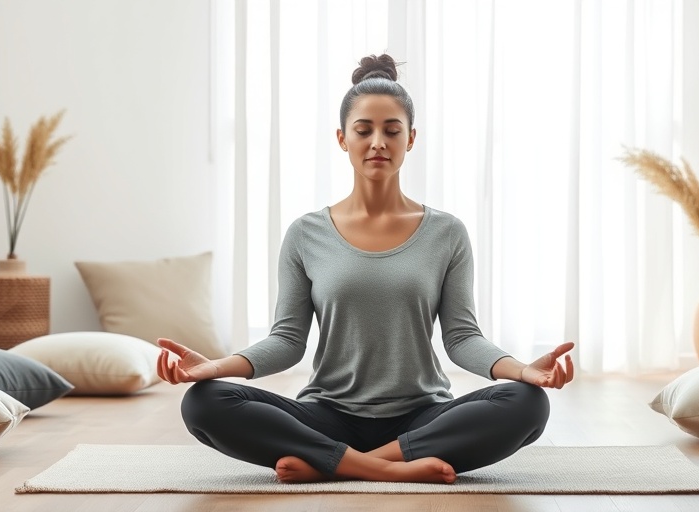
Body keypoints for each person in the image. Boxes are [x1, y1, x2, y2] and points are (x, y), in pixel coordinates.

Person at [157, 53, 575, 485]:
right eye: (364, 130)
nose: (378, 141)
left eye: (392, 130)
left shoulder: (447, 233)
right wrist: (214, 368)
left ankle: (335, 463)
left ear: (411, 139)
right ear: (342, 138)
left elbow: (462, 338)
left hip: (422, 418)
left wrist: (524, 371)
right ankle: (382, 468)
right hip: (328, 415)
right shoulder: (306, 233)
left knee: (527, 403)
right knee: (203, 402)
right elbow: (286, 341)